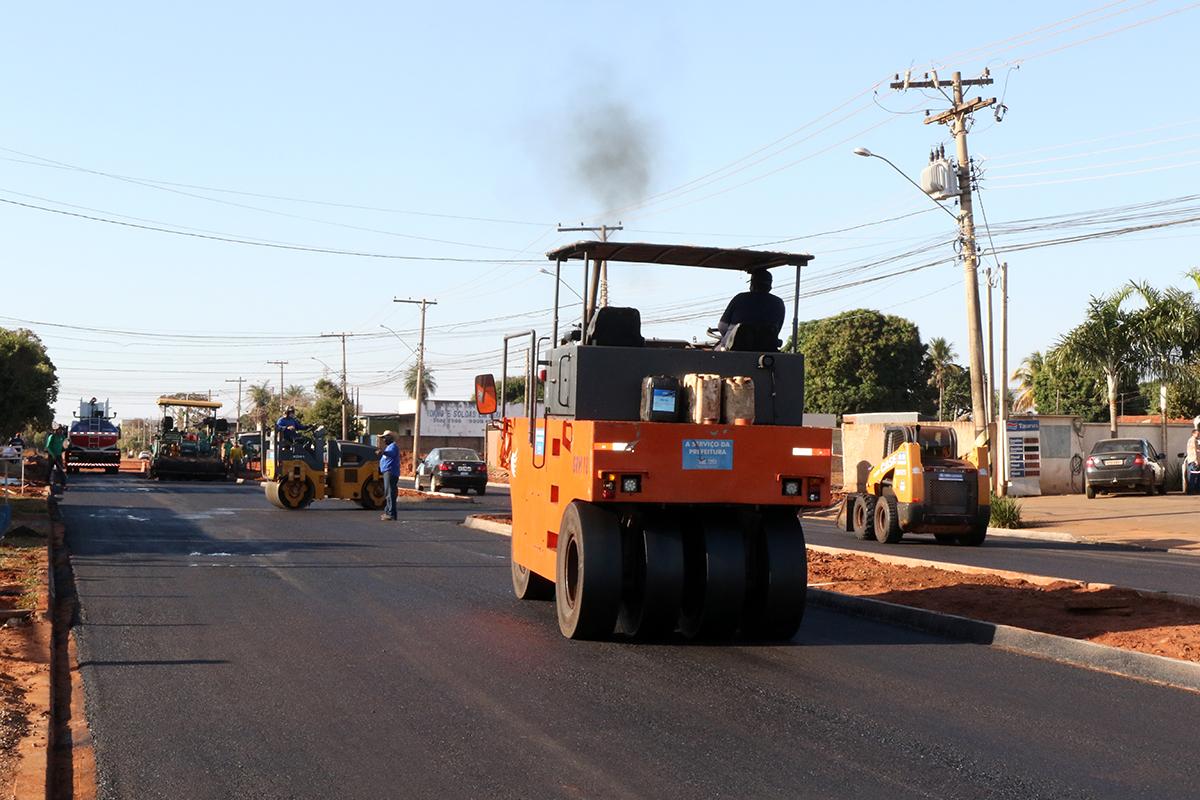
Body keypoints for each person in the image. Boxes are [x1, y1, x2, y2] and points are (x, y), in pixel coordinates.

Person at [717, 268, 786, 347]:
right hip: (767, 349)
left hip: (734, 347)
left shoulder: (740, 298)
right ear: (770, 286)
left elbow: (722, 326)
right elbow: (777, 329)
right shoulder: (778, 303)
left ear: (752, 284)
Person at [378, 431, 400, 521]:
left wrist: (383, 452)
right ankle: (388, 512)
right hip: (387, 472)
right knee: (388, 493)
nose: (383, 439)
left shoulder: (393, 447)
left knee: (390, 493)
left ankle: (391, 513)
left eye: (384, 437)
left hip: (390, 472)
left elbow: (390, 454)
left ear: (390, 438)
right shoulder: (389, 447)